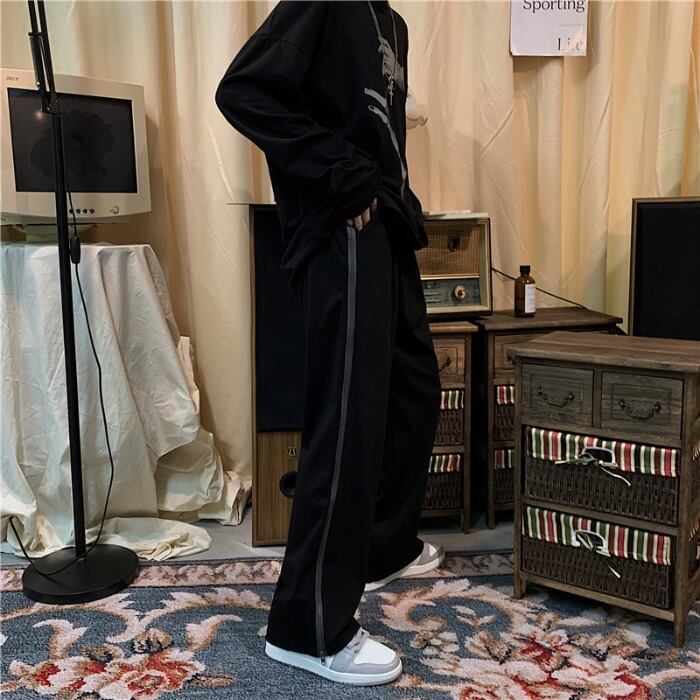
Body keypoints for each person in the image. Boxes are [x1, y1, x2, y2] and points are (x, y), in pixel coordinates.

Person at [216, 0, 442, 686]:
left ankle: (379, 548)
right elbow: (244, 90)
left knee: (413, 392)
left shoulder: (393, 24)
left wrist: (398, 195)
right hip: (343, 227)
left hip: (387, 228)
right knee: (346, 425)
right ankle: (307, 628)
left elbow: (378, 130)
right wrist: (338, 170)